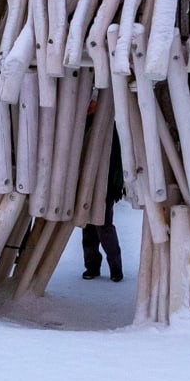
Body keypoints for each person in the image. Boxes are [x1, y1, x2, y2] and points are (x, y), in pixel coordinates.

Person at [80, 112, 125, 281]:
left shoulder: (111, 128)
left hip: (105, 185)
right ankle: (91, 266)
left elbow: (119, 159)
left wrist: (116, 185)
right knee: (88, 227)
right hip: (86, 183)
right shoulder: (83, 123)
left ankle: (115, 268)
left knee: (104, 226)